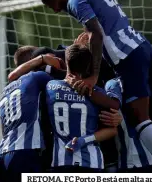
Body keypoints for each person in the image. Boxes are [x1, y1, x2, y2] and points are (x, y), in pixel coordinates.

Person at [40, 0, 152, 172]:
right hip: (141, 45)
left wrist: (93, 75)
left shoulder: (74, 1)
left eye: (51, 3)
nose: (54, 10)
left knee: (139, 118)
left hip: (126, 56)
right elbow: (103, 23)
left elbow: (97, 34)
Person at [46, 44, 118, 173]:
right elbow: (112, 130)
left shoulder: (50, 86)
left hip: (61, 161)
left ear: (67, 62)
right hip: (92, 163)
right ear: (88, 66)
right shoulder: (97, 94)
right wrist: (84, 140)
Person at [0, 46, 53, 182]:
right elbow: (67, 81)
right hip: (24, 153)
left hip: (0, 156)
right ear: (34, 61)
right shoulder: (36, 77)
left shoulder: (5, 91)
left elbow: (4, 130)